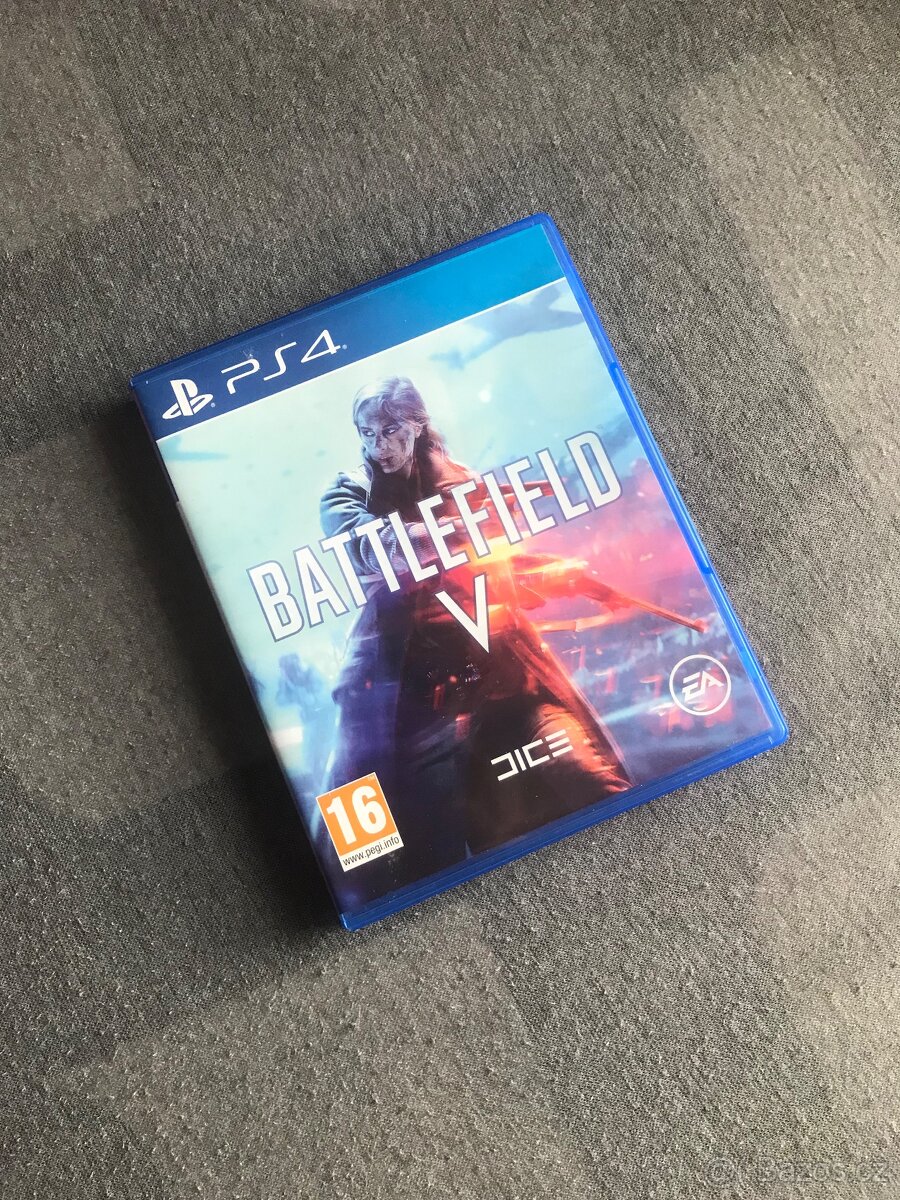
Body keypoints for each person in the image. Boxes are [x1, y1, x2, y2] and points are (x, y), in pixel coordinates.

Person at [319, 376, 629, 899]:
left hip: (497, 683)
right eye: (367, 433)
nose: (378, 446)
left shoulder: (460, 480)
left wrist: (567, 576)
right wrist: (462, 523)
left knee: (593, 785)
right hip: (399, 699)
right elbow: (377, 550)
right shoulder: (346, 492)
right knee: (374, 856)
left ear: (417, 425)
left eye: (391, 430)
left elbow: (484, 567)